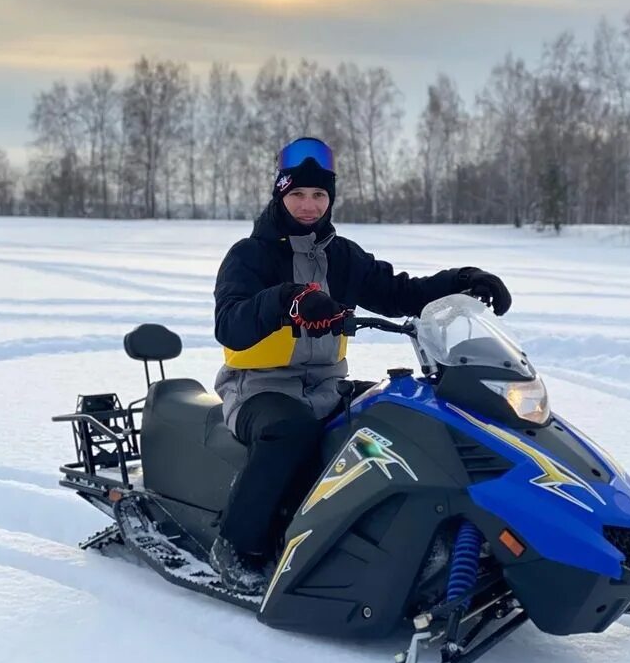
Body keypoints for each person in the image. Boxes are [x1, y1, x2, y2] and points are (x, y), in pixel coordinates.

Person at [210, 137, 512, 594]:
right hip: (258, 388)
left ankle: (399, 537)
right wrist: (288, 299)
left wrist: (463, 280)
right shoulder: (250, 256)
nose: (308, 205)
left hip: (327, 386)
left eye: (319, 196)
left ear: (330, 199)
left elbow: (398, 293)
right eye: (297, 195)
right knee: (289, 431)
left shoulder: (341, 255)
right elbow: (229, 325)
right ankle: (236, 545)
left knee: (402, 416)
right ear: (280, 195)